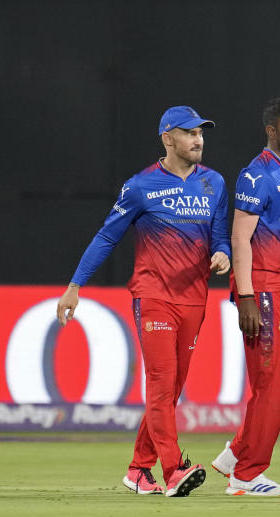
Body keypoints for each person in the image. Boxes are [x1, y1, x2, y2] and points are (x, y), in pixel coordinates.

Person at [56, 105, 230, 497]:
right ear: (168, 139)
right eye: (189, 133)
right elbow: (106, 237)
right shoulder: (140, 186)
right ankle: (174, 469)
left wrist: (223, 253)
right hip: (153, 296)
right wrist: (75, 285)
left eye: (201, 132)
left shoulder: (215, 183)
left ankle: (138, 469)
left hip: (194, 299)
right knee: (161, 383)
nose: (198, 139)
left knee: (171, 388)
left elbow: (220, 235)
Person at [211, 98, 280, 497]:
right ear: (273, 131)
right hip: (266, 288)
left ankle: (237, 452)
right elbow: (240, 238)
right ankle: (246, 476)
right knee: (269, 383)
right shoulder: (256, 176)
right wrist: (246, 296)